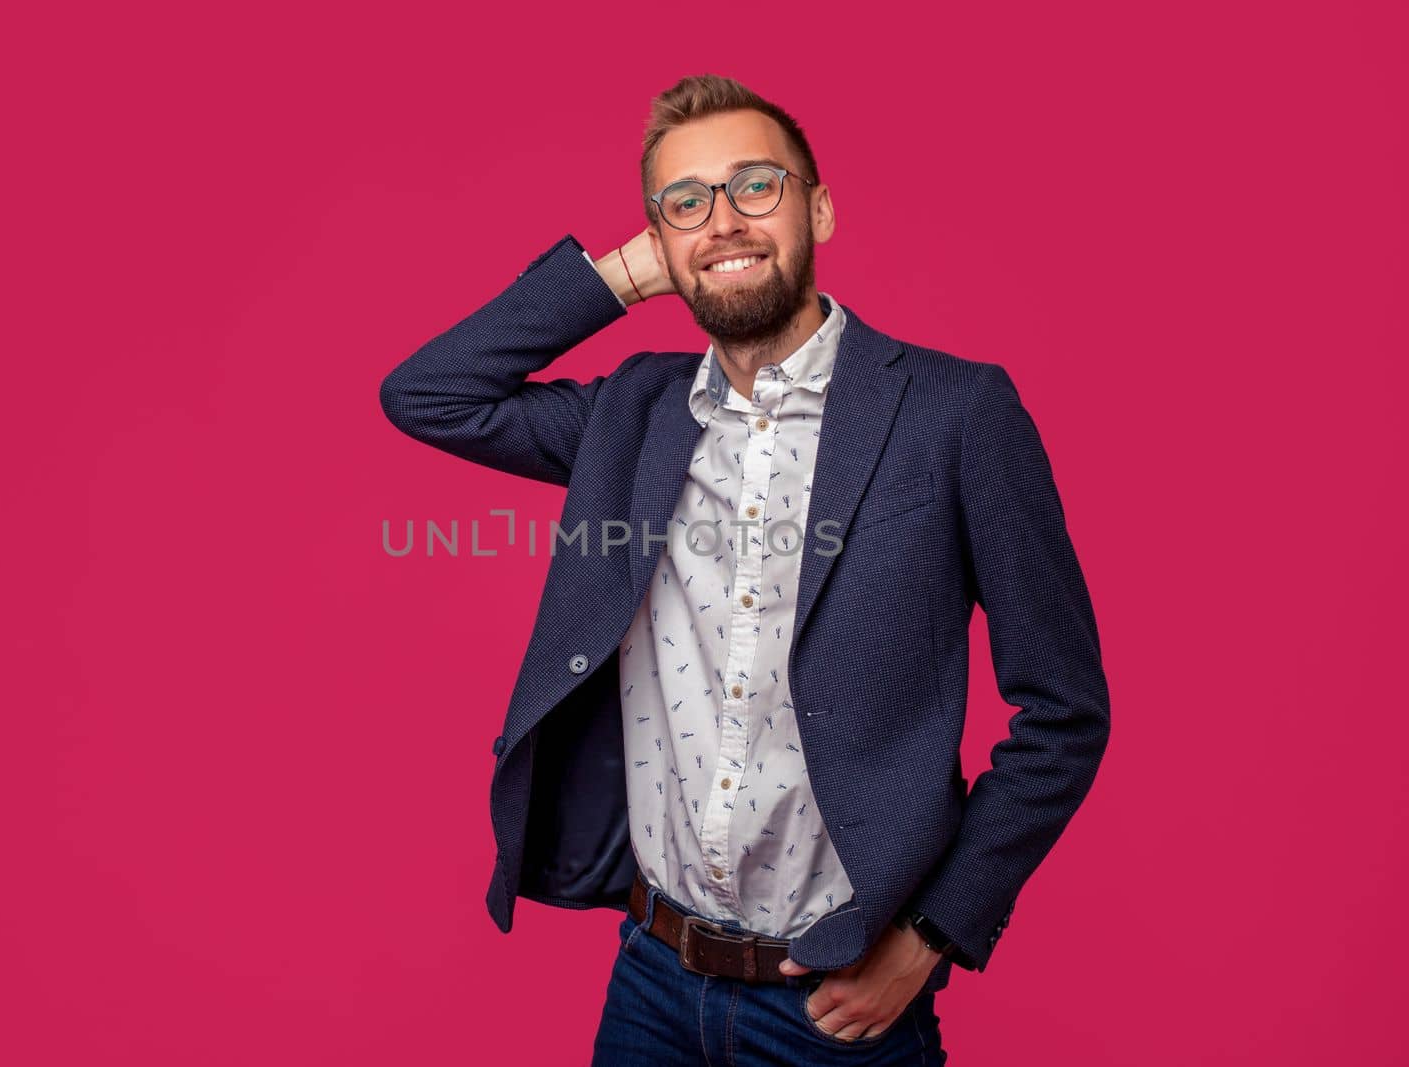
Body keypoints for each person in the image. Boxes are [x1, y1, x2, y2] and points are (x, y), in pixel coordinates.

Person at [379, 74, 1110, 1066]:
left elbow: (1063, 708)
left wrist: (933, 934)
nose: (722, 220)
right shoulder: (631, 415)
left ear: (818, 207)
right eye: (687, 202)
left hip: (835, 1011)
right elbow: (427, 393)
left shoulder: (954, 415)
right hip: (650, 977)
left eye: (754, 187)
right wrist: (629, 272)